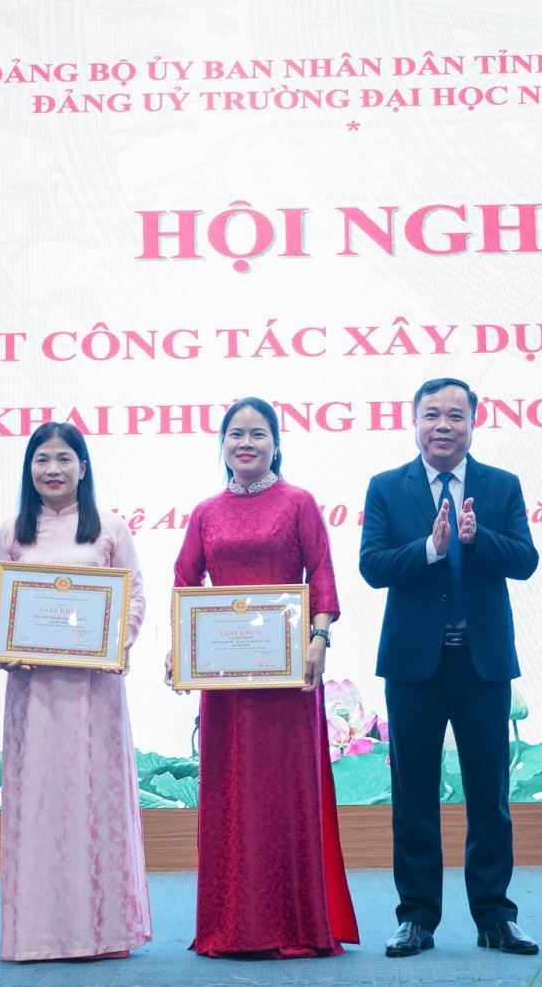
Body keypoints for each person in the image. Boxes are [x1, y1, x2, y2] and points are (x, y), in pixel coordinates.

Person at [165, 396, 359, 957]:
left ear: (276, 443)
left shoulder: (298, 502)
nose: (246, 443)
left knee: (284, 795)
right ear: (222, 444)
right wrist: (181, 646)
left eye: (258, 434)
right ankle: (232, 927)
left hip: (288, 679)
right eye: (235, 434)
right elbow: (185, 581)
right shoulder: (206, 512)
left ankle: (294, 927)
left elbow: (322, 572)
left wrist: (320, 638)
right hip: (226, 684)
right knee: (230, 798)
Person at [358, 378, 540, 959]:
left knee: (490, 795)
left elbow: (526, 561)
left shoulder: (500, 485)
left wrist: (477, 538)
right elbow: (372, 567)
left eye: (455, 416)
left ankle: (495, 916)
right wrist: (431, 550)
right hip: (413, 667)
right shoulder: (387, 487)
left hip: (482, 664)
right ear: (414, 422)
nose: (443, 425)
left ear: (472, 424)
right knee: (413, 796)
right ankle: (416, 918)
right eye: (432, 414)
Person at [0, 422, 152, 961]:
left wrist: (116, 643)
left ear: (83, 467)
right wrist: (5, 646)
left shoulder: (110, 529)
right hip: (33, 694)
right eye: (41, 459)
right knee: (38, 804)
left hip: (92, 694)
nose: (52, 469)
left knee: (93, 802)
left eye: (63, 459)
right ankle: (36, 935)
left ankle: (104, 933)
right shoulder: (12, 532)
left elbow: (133, 599)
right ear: (28, 469)